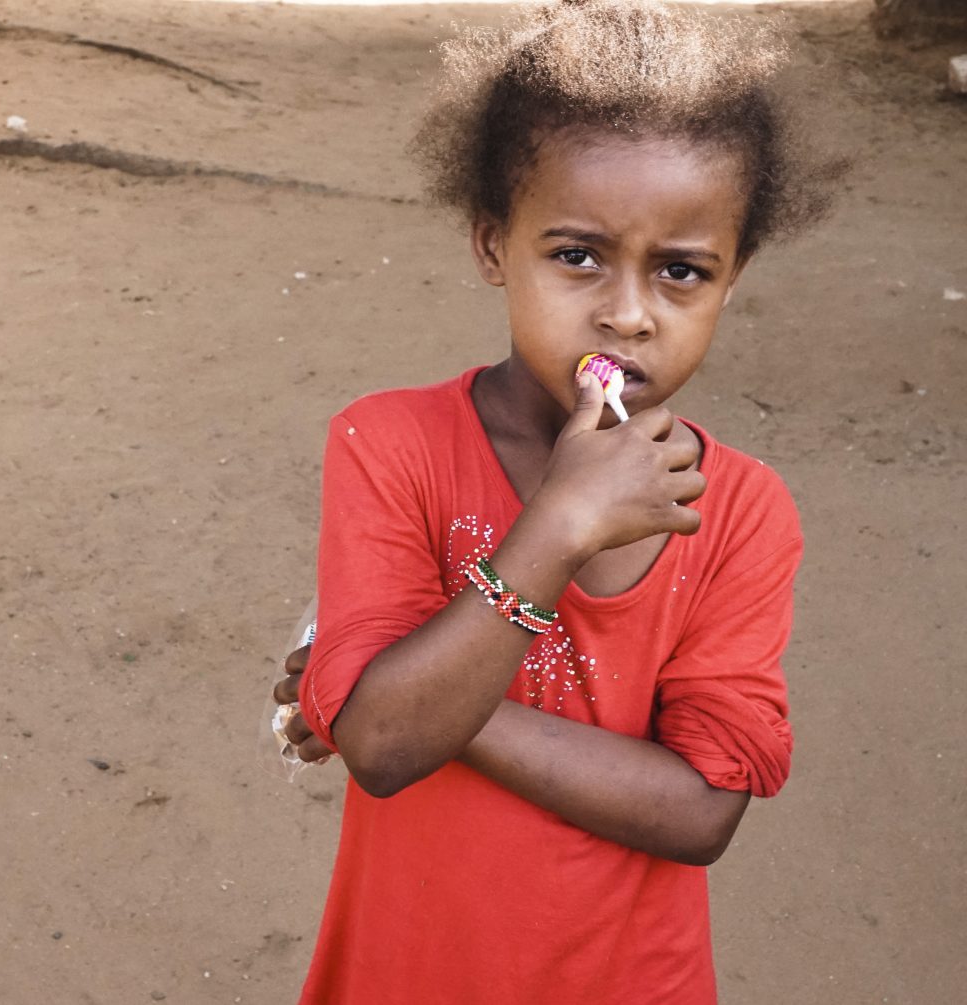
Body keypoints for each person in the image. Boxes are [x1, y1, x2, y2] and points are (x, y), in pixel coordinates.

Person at [274, 1, 843, 1001]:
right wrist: (560, 528)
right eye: (576, 254)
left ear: (731, 278)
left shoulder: (742, 513)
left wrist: (415, 697)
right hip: (408, 969)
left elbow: (701, 811)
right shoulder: (390, 445)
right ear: (493, 245)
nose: (627, 311)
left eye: (680, 271)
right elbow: (385, 751)